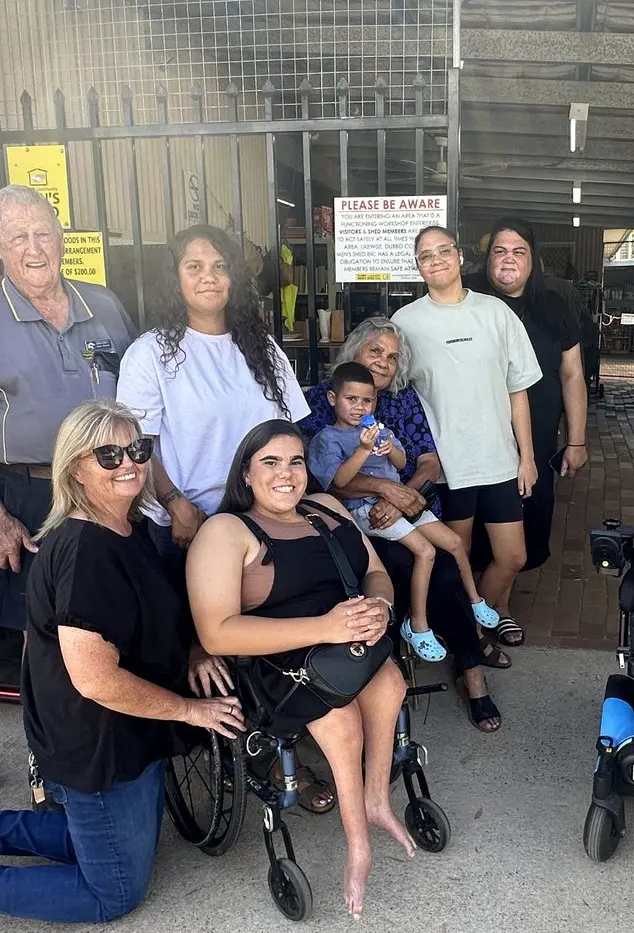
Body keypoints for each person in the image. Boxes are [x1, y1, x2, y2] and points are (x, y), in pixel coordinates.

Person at [0, 400, 244, 923]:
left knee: (110, 841)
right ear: (75, 465)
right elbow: (97, 680)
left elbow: (154, 611)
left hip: (129, 726)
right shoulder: (86, 551)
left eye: (138, 450)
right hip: (97, 736)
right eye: (109, 454)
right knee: (113, 892)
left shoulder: (128, 525)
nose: (129, 463)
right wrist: (190, 711)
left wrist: (191, 647)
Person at [114, 223, 333, 806]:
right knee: (210, 650)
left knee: (274, 638)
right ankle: (241, 751)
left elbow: (291, 432)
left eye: (219, 266)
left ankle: (280, 747)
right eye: (194, 266)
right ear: (175, 277)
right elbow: (143, 443)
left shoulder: (260, 349)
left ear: (235, 277)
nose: (208, 276)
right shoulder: (153, 352)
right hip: (187, 526)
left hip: (262, 521)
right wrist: (174, 502)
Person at [187, 420, 413, 918]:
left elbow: (375, 569)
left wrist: (379, 607)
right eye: (270, 462)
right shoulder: (226, 531)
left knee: (391, 681)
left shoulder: (327, 508)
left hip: (347, 644)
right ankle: (359, 843)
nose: (286, 473)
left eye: (295, 461)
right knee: (340, 719)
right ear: (246, 473)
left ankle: (377, 800)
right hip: (277, 659)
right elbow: (217, 633)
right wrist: (326, 628)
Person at [0, 184, 134, 634]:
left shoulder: (103, 304)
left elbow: (139, 402)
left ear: (61, 238)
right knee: (39, 625)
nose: (34, 249)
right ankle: (46, 707)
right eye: (18, 237)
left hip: (108, 484)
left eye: (43, 234)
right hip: (23, 494)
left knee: (112, 608)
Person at [298, 317, 507, 732]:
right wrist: (382, 490)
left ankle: (471, 672)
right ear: (353, 352)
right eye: (375, 351)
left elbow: (428, 460)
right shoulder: (323, 401)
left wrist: (404, 494)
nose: (383, 362)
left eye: (392, 357)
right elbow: (316, 480)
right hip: (354, 517)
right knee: (398, 564)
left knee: (445, 564)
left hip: (407, 506)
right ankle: (389, 675)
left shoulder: (401, 401)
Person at [393, 226, 543, 659]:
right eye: (426, 255)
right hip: (447, 468)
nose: (436, 259)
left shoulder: (495, 313)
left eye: (444, 250)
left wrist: (527, 456)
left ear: (459, 257)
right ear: (418, 266)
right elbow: (395, 396)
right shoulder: (406, 323)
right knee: (453, 562)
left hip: (498, 459)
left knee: (512, 557)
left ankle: (474, 619)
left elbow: (519, 389)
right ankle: (471, 643)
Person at [308, 361, 501, 662]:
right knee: (425, 551)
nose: (359, 407)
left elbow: (400, 464)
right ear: (334, 399)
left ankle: (476, 600)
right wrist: (362, 451)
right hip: (366, 509)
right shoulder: (328, 438)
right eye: (351, 399)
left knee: (453, 543)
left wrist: (389, 449)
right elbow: (339, 482)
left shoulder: (377, 430)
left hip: (401, 502)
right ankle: (418, 625)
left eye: (367, 400)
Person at [464, 218, 590, 628]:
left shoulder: (552, 305)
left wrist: (576, 440)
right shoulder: (467, 299)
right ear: (488, 259)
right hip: (475, 436)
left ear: (533, 259)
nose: (508, 259)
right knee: (479, 523)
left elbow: (572, 374)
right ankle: (485, 607)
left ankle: (498, 604)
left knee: (527, 516)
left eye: (518, 251)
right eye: (500, 251)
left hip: (534, 436)